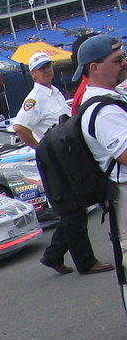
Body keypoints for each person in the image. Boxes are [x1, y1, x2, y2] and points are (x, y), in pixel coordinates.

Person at [15, 52, 113, 275]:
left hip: (67, 155)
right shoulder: (35, 98)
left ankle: (54, 255)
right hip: (57, 158)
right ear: (33, 74)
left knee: (74, 209)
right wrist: (40, 148)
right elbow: (20, 127)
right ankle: (85, 261)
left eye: (48, 66)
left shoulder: (54, 91)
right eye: (41, 68)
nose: (47, 71)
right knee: (72, 209)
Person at [75, 35, 127, 288]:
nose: (124, 63)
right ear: (94, 67)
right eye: (117, 60)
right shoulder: (104, 110)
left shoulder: (111, 98)